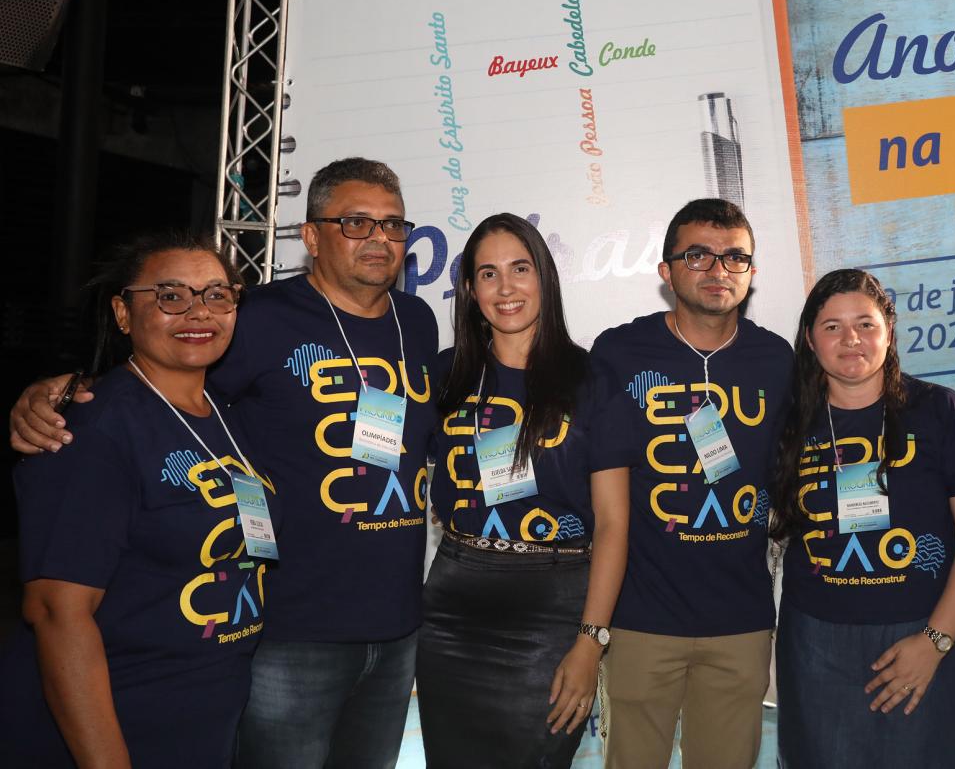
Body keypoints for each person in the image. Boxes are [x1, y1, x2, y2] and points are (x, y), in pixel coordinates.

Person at [9, 158, 441, 769]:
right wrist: (56, 393)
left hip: (388, 627)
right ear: (311, 236)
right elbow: (157, 388)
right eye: (355, 222)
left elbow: (190, 405)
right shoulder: (257, 318)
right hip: (287, 629)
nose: (378, 238)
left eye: (393, 225)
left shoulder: (417, 322)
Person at [0, 232, 274, 768]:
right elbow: (57, 614)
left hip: (200, 718)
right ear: (124, 314)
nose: (199, 312)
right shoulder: (90, 432)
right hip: (115, 726)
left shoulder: (225, 415)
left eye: (217, 294)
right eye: (171, 296)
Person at [417, 214, 629, 768]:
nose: (505, 287)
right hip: (453, 607)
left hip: (552, 611)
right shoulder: (445, 374)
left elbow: (613, 524)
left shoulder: (591, 379)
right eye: (488, 274)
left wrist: (590, 642)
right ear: (470, 289)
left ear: (544, 278)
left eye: (520, 268)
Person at [588, 198, 793, 769]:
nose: (718, 270)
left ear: (751, 272)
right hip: (640, 618)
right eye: (698, 255)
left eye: (735, 258)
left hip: (741, 620)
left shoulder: (776, 360)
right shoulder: (619, 353)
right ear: (667, 271)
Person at [767, 268, 955, 768]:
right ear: (809, 339)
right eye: (832, 326)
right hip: (814, 644)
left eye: (865, 324)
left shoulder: (940, 411)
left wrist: (935, 642)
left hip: (923, 636)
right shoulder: (788, 423)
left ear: (889, 332)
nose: (850, 339)